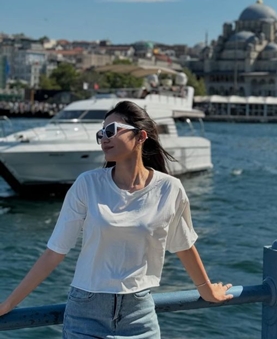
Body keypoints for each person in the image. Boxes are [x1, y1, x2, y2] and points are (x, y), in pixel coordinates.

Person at [0, 101, 233, 338]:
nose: (104, 138)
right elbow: (54, 252)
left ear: (141, 136)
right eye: (101, 133)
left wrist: (206, 291)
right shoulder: (87, 184)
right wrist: (8, 304)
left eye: (111, 131)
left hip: (139, 314)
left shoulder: (170, 189)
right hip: (85, 313)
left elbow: (183, 246)